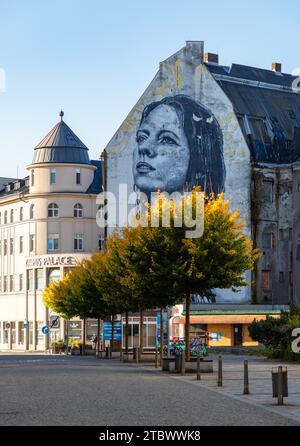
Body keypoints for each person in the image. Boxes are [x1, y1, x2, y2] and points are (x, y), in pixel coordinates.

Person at [133, 94, 226, 198]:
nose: (143, 147)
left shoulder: (213, 213)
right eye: (141, 138)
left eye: (167, 139)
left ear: (200, 158)